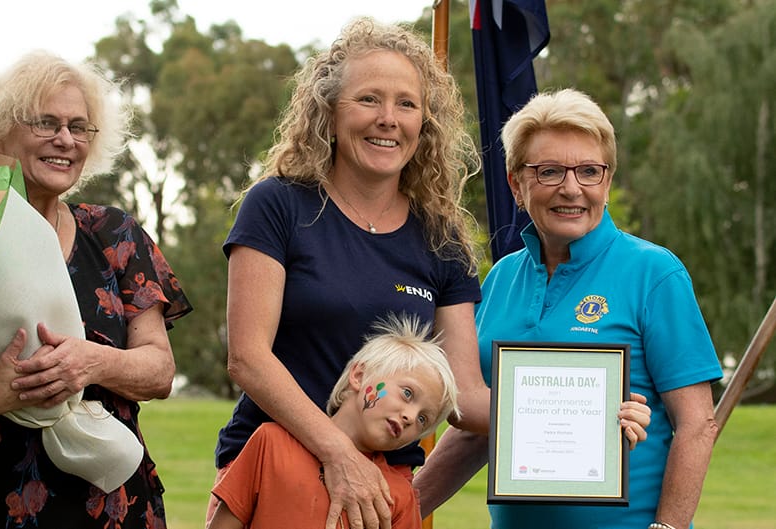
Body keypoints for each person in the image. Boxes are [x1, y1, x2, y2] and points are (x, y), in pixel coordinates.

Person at [0, 51, 192, 528]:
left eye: (78, 126)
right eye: (45, 123)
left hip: (96, 504)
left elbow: (159, 371)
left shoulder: (117, 236)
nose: (64, 139)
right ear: (2, 131)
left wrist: (90, 361)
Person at [210, 17, 492, 529]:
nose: (389, 118)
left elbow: (467, 400)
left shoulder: (443, 239)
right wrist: (340, 453)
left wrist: (588, 413)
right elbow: (247, 358)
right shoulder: (278, 206)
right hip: (275, 471)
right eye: (368, 99)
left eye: (406, 103)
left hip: (383, 498)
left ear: (424, 122)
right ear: (330, 114)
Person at [414, 88, 719, 529]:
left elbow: (697, 425)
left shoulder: (654, 273)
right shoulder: (500, 279)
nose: (571, 188)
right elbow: (480, 431)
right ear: (516, 184)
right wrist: (398, 512)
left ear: (608, 182)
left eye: (589, 171)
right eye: (550, 171)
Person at [208, 314, 460, 529]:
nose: (410, 417)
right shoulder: (269, 443)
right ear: (359, 376)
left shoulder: (398, 497)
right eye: (407, 393)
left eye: (423, 419)